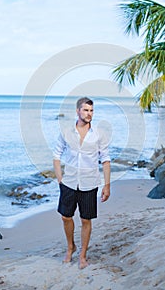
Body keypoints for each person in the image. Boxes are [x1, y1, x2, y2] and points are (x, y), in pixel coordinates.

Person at [53, 97, 111, 269]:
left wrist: (107, 185)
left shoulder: (99, 134)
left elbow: (105, 160)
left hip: (89, 183)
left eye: (91, 110)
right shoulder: (66, 132)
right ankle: (71, 246)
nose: (89, 114)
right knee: (65, 217)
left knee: (86, 220)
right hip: (69, 182)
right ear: (78, 111)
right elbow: (56, 156)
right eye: (86, 110)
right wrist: (60, 180)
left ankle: (83, 255)